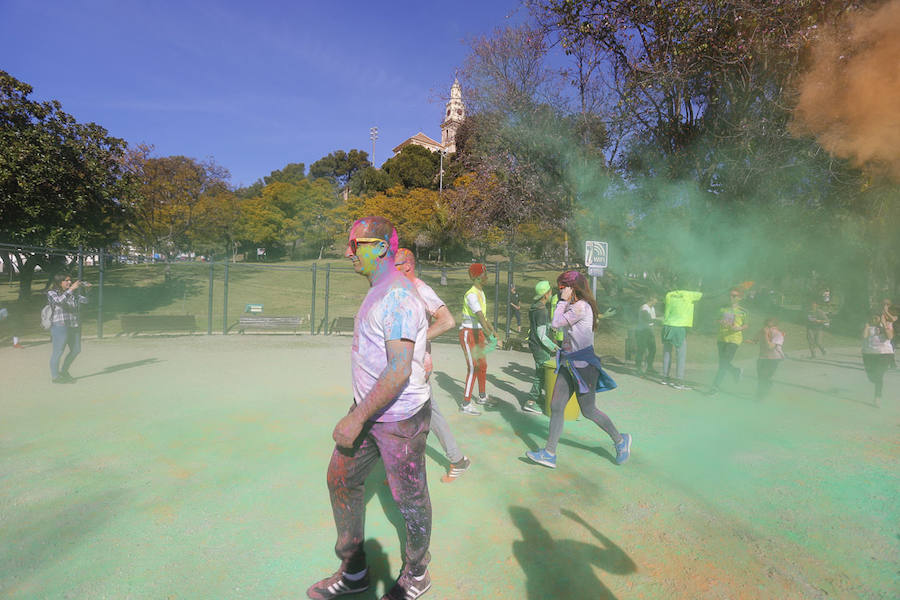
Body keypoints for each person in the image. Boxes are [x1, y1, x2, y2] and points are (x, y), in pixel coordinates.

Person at [307, 217, 433, 600]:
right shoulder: (378, 289)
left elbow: (397, 373)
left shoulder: (397, 296)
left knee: (409, 499)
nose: (348, 252)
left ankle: (417, 573)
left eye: (354, 244)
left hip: (399, 419)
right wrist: (360, 411)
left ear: (380, 247)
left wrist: (356, 417)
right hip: (369, 410)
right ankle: (354, 570)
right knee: (340, 478)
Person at [525, 270, 630, 469]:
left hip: (583, 366)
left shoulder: (581, 307)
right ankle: (549, 453)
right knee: (556, 406)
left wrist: (562, 302)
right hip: (568, 364)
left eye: (562, 287)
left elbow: (555, 323)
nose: (559, 291)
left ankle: (620, 440)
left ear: (573, 288)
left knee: (589, 410)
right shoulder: (575, 306)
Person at [395, 248, 471, 482]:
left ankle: (399, 466)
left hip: (417, 365)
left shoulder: (421, 289)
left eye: (395, 265)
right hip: (403, 363)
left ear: (408, 265)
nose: (390, 270)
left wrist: (417, 341)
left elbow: (447, 321)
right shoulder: (399, 290)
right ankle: (458, 459)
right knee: (427, 412)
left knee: (398, 413)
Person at [458, 263, 498, 415]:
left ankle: (481, 396)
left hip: (478, 333)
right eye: (484, 274)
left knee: (482, 365)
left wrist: (493, 331)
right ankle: (465, 403)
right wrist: (490, 335)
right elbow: (480, 317)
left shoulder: (481, 292)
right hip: (468, 334)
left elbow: (485, 318)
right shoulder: (472, 294)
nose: (486, 276)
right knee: (473, 367)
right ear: (476, 277)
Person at [47, 273, 90, 383]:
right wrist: (71, 289)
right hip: (60, 326)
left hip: (74, 325)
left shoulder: (72, 293)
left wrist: (88, 290)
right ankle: (55, 377)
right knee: (58, 352)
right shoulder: (52, 293)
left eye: (70, 280)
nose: (69, 282)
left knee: (76, 350)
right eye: (66, 280)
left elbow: (86, 301)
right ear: (59, 282)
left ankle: (64, 371)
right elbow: (59, 301)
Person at [524, 280, 557, 414]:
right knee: (541, 373)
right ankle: (531, 401)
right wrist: (554, 346)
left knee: (542, 372)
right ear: (545, 295)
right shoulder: (542, 310)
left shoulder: (534, 307)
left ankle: (540, 397)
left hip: (534, 343)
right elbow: (542, 335)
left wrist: (550, 326)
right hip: (540, 346)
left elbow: (538, 326)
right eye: (550, 291)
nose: (551, 293)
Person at [660, 285, 703, 390]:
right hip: (679, 327)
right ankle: (679, 382)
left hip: (667, 325)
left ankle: (664, 378)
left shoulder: (669, 294)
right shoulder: (689, 294)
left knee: (667, 353)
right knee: (681, 354)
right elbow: (707, 296)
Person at [710, 289, 750, 394]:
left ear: (739, 298)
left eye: (734, 296)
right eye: (730, 295)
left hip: (734, 339)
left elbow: (746, 325)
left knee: (723, 363)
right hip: (721, 338)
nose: (731, 297)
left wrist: (739, 328)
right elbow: (716, 320)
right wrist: (721, 322)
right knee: (722, 363)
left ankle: (715, 387)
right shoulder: (722, 309)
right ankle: (735, 371)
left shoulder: (743, 311)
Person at [862, 311, 894, 405]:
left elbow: (889, 336)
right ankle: (876, 382)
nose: (874, 319)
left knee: (879, 374)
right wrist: (866, 327)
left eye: (876, 318)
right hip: (869, 353)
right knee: (871, 377)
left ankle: (877, 397)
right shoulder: (868, 325)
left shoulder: (887, 325)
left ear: (881, 318)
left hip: (884, 354)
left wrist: (884, 324)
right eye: (872, 318)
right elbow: (864, 336)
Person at [754, 318, 785, 399]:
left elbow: (770, 346)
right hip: (762, 357)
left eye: (771, 327)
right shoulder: (762, 332)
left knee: (765, 377)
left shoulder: (778, 334)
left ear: (775, 327)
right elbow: (754, 340)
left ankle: (760, 396)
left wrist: (765, 335)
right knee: (760, 377)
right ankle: (762, 391)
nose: (768, 329)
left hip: (774, 359)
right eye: (766, 326)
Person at [634, 295, 659, 375]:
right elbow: (647, 319)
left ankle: (649, 367)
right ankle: (638, 368)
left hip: (649, 331)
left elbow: (652, 320)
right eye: (656, 299)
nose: (657, 301)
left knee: (652, 349)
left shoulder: (652, 308)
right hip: (642, 331)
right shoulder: (644, 308)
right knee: (641, 350)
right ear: (651, 299)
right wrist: (660, 320)